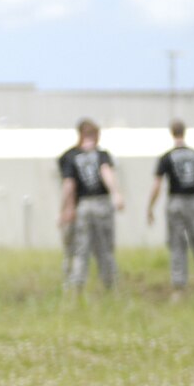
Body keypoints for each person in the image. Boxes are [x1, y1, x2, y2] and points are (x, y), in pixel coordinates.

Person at [147, 119, 194, 293]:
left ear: (172, 132)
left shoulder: (167, 157)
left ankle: (179, 285)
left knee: (177, 244)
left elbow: (157, 184)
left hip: (176, 202)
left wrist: (150, 206)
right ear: (184, 132)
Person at [58, 119, 124, 292]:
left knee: (80, 250)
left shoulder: (70, 156)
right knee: (105, 249)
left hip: (83, 207)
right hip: (101, 203)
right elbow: (106, 172)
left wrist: (66, 209)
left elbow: (68, 185)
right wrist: (116, 193)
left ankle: (75, 288)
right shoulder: (101, 155)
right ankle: (110, 287)